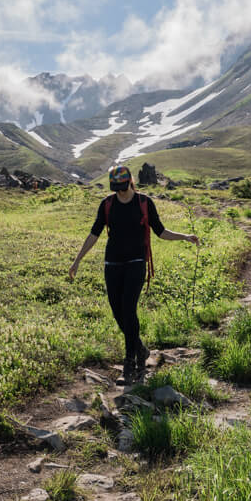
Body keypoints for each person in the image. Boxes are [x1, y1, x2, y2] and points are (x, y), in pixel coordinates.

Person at [69, 164, 199, 384]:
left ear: (130, 182)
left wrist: (185, 236)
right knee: (117, 311)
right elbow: (94, 233)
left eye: (121, 186)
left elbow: (161, 231)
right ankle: (140, 349)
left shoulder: (144, 203)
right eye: (115, 187)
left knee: (129, 308)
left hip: (136, 262)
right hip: (112, 263)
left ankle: (131, 363)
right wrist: (77, 260)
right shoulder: (107, 204)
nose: (119, 191)